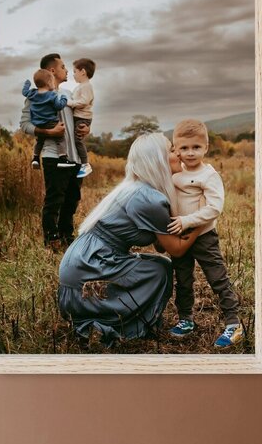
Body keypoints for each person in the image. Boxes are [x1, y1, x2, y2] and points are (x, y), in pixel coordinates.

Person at [58, 132, 200, 345]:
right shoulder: (150, 198)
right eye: (172, 149)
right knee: (159, 270)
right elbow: (176, 249)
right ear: (157, 159)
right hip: (89, 270)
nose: (179, 153)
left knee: (157, 263)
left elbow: (160, 246)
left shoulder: (135, 189)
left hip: (80, 267)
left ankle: (111, 313)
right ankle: (119, 321)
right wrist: (202, 219)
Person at [166, 119, 243, 348]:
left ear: (206, 148)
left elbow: (214, 208)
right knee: (183, 279)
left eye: (196, 147)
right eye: (184, 148)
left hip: (204, 237)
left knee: (217, 279)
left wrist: (187, 220)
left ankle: (234, 323)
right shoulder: (175, 174)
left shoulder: (208, 176)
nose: (190, 153)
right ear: (176, 148)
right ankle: (186, 319)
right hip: (180, 237)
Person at [19, 53, 87, 249]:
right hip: (52, 156)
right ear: (52, 71)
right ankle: (51, 239)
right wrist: (48, 131)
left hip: (74, 157)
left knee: (72, 200)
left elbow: (79, 118)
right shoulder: (34, 95)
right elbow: (24, 125)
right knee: (54, 200)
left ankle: (67, 237)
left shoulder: (68, 94)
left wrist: (85, 128)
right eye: (63, 66)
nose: (66, 70)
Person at [23, 69, 70, 169]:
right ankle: (62, 158)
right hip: (50, 122)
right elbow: (59, 106)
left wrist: (27, 84)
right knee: (61, 138)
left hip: (38, 123)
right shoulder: (52, 95)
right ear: (49, 82)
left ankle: (35, 158)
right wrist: (64, 99)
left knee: (39, 141)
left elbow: (24, 92)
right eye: (53, 81)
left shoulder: (32, 94)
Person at [67, 58, 96, 179]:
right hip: (79, 117)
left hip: (82, 118)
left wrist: (69, 103)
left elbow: (84, 102)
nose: (73, 74)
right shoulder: (81, 86)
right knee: (75, 140)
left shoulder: (86, 86)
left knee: (78, 140)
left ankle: (85, 164)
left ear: (82, 72)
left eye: (74, 71)